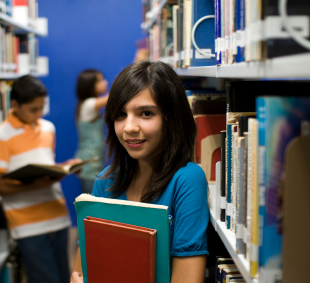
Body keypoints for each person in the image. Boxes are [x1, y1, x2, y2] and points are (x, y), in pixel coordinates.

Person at [71, 61, 209, 283]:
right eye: (120, 114)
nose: (129, 127)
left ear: (171, 118)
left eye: (145, 113)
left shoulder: (187, 179)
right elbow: (80, 272)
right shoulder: (105, 181)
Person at [0, 75, 81, 283]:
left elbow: (44, 164)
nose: (39, 114)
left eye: (41, 108)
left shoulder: (48, 128)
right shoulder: (1, 136)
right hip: (27, 224)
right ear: (15, 105)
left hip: (57, 216)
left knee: (65, 276)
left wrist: (65, 168)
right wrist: (33, 185)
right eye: (33, 109)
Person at [75, 69, 109, 194]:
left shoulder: (86, 105)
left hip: (92, 163)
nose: (105, 83)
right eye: (100, 80)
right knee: (91, 207)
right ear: (90, 85)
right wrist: (137, 62)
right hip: (89, 165)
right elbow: (116, 93)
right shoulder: (88, 105)